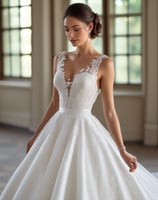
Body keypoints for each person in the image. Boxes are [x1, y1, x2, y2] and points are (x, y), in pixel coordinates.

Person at [1, 3, 158, 200]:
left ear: (90, 27)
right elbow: (54, 103)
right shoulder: (59, 58)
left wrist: (122, 150)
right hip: (56, 129)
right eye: (67, 29)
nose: (70, 35)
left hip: (84, 129)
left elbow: (110, 111)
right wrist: (36, 136)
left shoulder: (105, 64)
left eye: (76, 29)